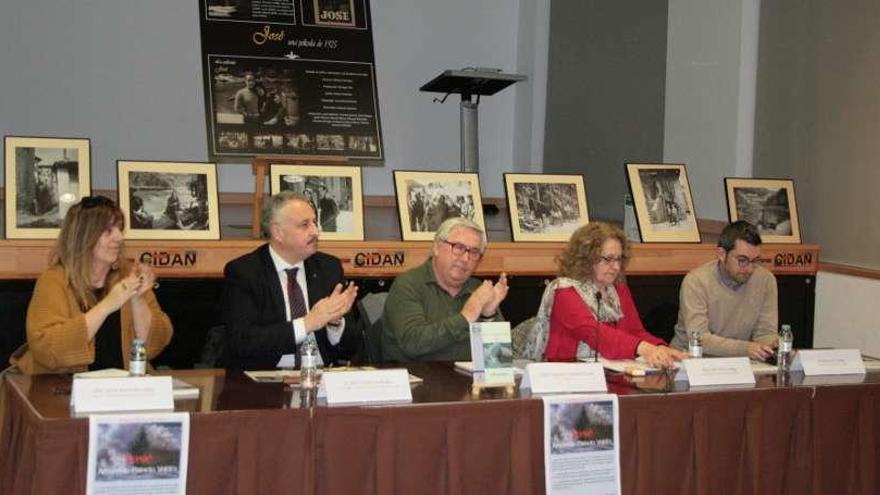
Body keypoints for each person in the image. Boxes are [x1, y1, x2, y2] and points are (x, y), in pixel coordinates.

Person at [10, 196, 172, 374]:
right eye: (108, 230)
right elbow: (47, 350)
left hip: (124, 392)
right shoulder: (54, 281)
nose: (119, 237)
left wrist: (138, 299)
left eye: (119, 228)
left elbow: (155, 345)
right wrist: (107, 305)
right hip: (62, 392)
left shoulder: (129, 276)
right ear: (84, 236)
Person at [221, 191, 359, 370]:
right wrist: (307, 323)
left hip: (321, 375)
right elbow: (242, 341)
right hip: (264, 382)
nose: (316, 231)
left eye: (314, 222)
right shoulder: (245, 272)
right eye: (305, 225)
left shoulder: (329, 268)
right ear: (277, 232)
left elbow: (351, 348)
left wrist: (335, 322)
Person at [524, 222, 686, 368]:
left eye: (619, 259)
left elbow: (635, 331)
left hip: (612, 370)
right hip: (568, 373)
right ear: (586, 258)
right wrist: (644, 348)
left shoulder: (618, 287)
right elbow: (594, 333)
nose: (615, 267)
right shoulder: (563, 290)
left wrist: (661, 347)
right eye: (608, 259)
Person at [382, 217, 508, 362]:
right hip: (418, 379)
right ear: (436, 247)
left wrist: (489, 315)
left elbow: (499, 360)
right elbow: (412, 343)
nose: (465, 258)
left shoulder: (478, 290)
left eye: (474, 252)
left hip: (469, 381)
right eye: (458, 248)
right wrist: (466, 316)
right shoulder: (408, 284)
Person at [671, 220, 778, 360]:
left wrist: (772, 346)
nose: (750, 269)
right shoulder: (696, 281)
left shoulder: (766, 280)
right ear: (721, 254)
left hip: (740, 362)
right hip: (690, 360)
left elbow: (765, 333)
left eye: (755, 261)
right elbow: (700, 339)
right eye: (742, 260)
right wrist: (746, 348)